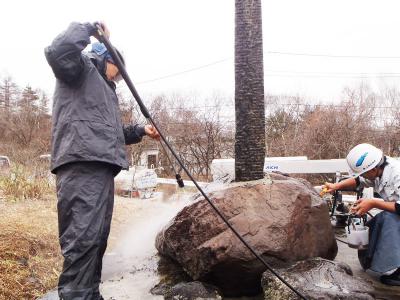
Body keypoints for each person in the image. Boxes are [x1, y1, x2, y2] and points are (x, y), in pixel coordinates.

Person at [45, 21, 160, 299]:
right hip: (81, 164)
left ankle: (89, 294)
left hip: (100, 167)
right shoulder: (79, 69)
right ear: (107, 58)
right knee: (82, 239)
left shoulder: (104, 91)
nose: (119, 77)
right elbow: (58, 51)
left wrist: (141, 130)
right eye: (117, 70)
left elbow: (109, 131)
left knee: (96, 240)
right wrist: (88, 30)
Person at [324, 143, 400, 286]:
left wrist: (372, 203)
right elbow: (358, 181)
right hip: (395, 211)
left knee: (389, 222)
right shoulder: (378, 169)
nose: (363, 176)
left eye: (364, 172)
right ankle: (372, 259)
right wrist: (336, 186)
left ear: (374, 168)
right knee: (377, 222)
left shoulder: (397, 173)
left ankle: (396, 270)